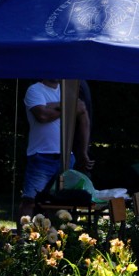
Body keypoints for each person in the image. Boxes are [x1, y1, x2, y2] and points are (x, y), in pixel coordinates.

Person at [19, 79, 91, 221]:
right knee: (30, 200)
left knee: (63, 202)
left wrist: (83, 152)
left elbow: (83, 114)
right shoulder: (35, 90)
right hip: (41, 156)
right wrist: (69, 108)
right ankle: (21, 242)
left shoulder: (67, 91)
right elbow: (42, 116)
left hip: (66, 156)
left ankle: (57, 239)